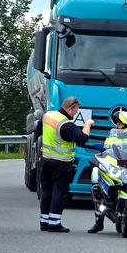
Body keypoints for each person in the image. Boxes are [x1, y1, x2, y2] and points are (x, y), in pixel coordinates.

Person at [35, 96, 94, 233]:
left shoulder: (48, 115)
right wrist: (87, 125)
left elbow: (38, 129)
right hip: (61, 163)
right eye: (75, 111)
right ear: (69, 108)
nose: (75, 114)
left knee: (47, 190)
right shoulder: (66, 124)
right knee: (60, 192)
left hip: (46, 160)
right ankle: (54, 223)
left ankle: (44, 221)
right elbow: (82, 140)